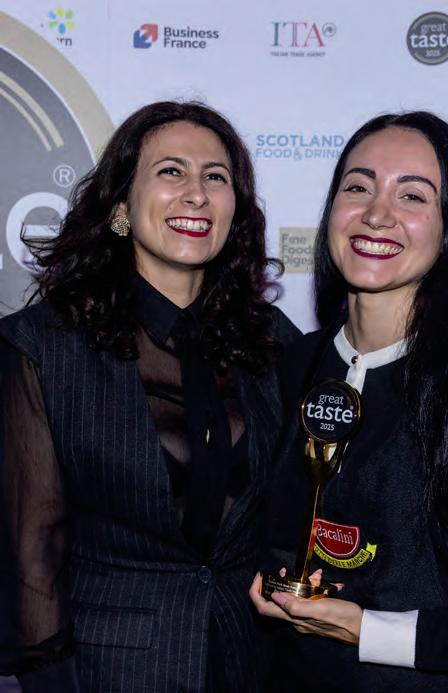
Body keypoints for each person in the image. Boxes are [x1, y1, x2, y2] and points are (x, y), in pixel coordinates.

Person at [0, 100, 300, 693]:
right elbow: (35, 547)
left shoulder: (273, 342)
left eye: (216, 177)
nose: (196, 194)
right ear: (120, 206)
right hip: (109, 671)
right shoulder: (44, 346)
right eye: (171, 171)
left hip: (252, 664)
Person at [250, 111, 448, 692]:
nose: (377, 214)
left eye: (412, 196)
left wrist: (376, 633)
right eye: (357, 187)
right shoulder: (292, 365)